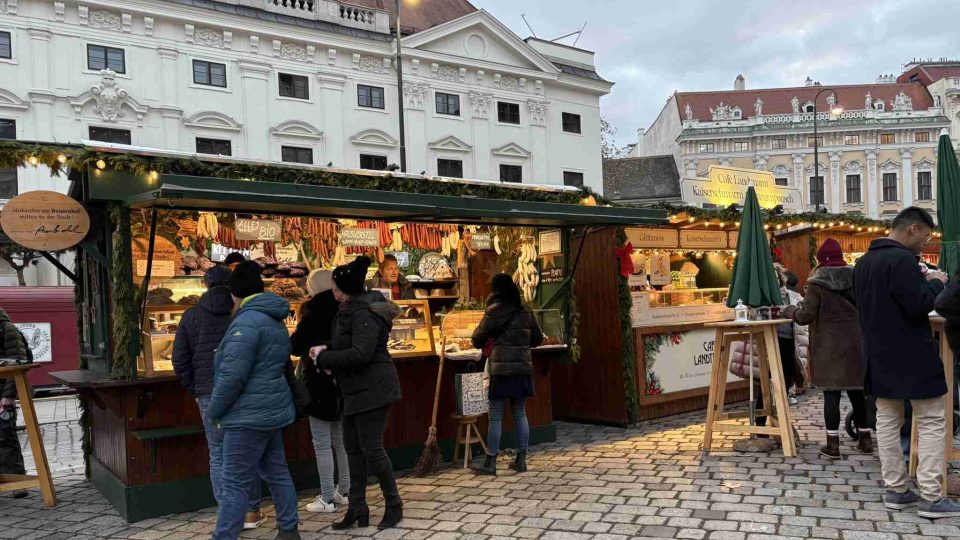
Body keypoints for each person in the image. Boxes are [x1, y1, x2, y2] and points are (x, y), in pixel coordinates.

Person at [854, 206, 960, 518]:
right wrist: (937, 283)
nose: (926, 244)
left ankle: (896, 489)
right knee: (930, 419)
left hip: (878, 353)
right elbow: (920, 304)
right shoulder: (901, 260)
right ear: (912, 229)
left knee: (887, 420)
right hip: (911, 353)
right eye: (926, 237)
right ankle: (931, 495)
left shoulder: (863, 263)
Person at [206, 261, 301, 539]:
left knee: (234, 482)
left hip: (246, 415)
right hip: (271, 409)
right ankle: (288, 529)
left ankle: (224, 536)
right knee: (277, 473)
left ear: (235, 294)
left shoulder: (246, 323)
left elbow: (232, 376)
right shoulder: (273, 318)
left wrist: (215, 410)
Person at [309, 256, 403, 530]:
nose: (333, 290)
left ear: (344, 289)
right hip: (354, 390)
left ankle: (394, 505)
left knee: (372, 449)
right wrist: (326, 348)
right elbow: (347, 343)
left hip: (374, 388)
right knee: (353, 449)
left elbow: (361, 353)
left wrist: (325, 361)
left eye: (336, 286)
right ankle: (358, 508)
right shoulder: (350, 309)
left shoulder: (363, 313)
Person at [172, 265, 266, 529]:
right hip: (241, 392)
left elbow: (180, 360)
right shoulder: (242, 314)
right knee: (247, 453)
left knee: (219, 454)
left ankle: (228, 513)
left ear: (206, 284)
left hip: (209, 395)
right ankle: (250, 512)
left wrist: (197, 388)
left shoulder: (191, 316)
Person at [783, 238, 870, 459]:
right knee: (858, 392)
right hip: (856, 343)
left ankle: (833, 445)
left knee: (831, 394)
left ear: (820, 260)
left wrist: (789, 311)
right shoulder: (857, 279)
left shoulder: (817, 284)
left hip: (829, 346)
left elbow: (805, 316)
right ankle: (865, 440)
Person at [470, 274, 544, 476]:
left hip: (501, 371)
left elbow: (476, 339)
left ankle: (491, 461)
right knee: (520, 413)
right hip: (522, 370)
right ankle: (521, 459)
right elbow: (537, 338)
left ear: (495, 291)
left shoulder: (494, 311)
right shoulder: (526, 310)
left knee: (495, 416)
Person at [290, 269, 350, 513]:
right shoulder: (345, 309)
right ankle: (344, 490)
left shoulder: (312, 312)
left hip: (318, 384)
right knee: (341, 440)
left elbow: (295, 347)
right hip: (343, 382)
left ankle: (326, 498)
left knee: (322, 443)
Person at [0, 307, 29, 499]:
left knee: (5, 437)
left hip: (2, 391)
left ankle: (18, 482)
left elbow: (19, 361)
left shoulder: (7, 329)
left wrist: (9, 395)